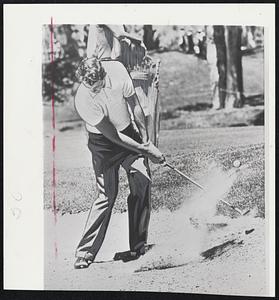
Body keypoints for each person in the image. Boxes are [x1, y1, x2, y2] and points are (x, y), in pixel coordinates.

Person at [73, 57, 165, 269]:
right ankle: (85, 252)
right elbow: (112, 136)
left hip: (128, 132)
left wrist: (146, 140)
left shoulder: (117, 70)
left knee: (142, 180)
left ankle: (138, 246)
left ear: (103, 73)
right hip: (103, 144)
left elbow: (135, 106)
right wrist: (144, 149)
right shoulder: (83, 99)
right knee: (107, 195)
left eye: (98, 85)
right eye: (90, 87)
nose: (94, 90)